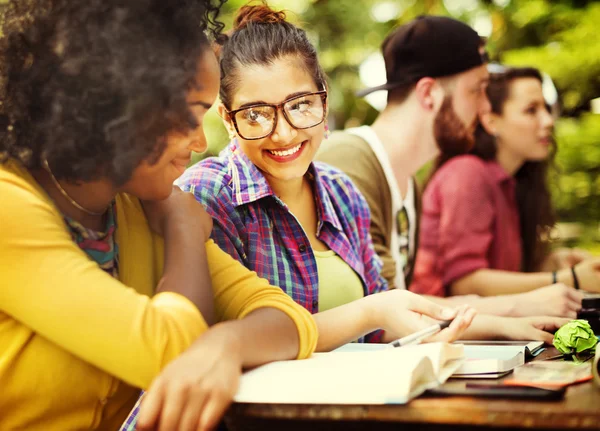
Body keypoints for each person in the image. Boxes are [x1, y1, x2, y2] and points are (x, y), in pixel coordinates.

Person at [0, 1, 319, 430]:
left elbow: (286, 315)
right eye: (191, 116)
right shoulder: (10, 206)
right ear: (115, 107)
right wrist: (184, 230)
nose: (201, 144)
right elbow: (169, 352)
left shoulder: (131, 205)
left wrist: (226, 343)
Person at [411, 65, 600, 299]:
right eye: (531, 110)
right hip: (443, 330)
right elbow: (465, 284)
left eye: (547, 108)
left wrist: (552, 263)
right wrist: (571, 279)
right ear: (491, 121)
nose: (548, 121)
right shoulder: (466, 173)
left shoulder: (510, 181)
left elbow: (499, 274)